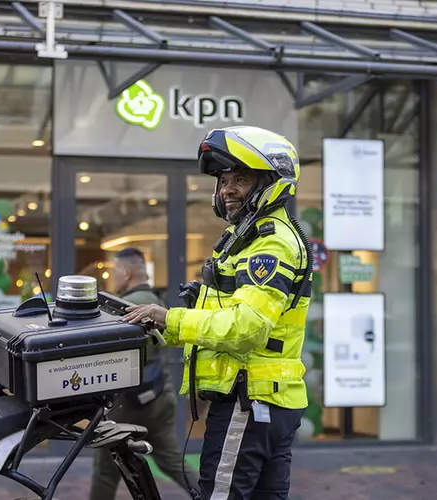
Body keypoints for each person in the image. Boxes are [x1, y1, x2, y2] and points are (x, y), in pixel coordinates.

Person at [122, 125, 312, 500]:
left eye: (240, 179)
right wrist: (163, 326)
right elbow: (225, 318)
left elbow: (246, 328)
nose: (227, 189)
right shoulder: (248, 239)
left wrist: (170, 318)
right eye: (223, 180)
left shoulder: (269, 245)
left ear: (271, 181)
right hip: (267, 400)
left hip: (248, 398)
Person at [89, 247, 200, 500]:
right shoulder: (153, 300)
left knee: (106, 470)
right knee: (172, 461)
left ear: (126, 272)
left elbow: (123, 358)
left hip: (127, 402)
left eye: (114, 272)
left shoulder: (127, 306)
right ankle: (207, 496)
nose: (112, 278)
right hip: (159, 396)